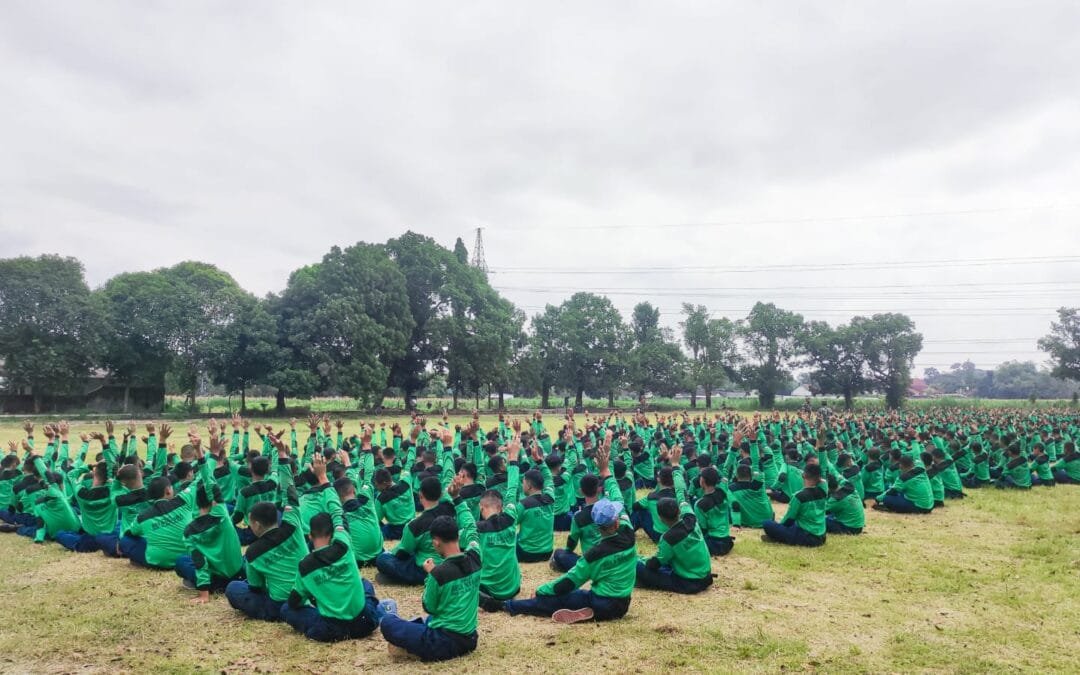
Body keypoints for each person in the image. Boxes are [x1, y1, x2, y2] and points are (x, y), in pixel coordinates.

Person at [282, 454, 392, 642]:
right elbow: (336, 511)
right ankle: (384, 609)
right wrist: (324, 478)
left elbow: (294, 602)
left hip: (330, 631)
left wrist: (317, 594)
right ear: (335, 532)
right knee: (364, 584)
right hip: (364, 624)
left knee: (286, 609)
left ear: (310, 536)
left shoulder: (305, 565)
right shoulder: (344, 544)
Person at [484, 495, 637, 624]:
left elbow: (568, 583)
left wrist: (541, 590)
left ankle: (506, 606)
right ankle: (591, 613)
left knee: (555, 599)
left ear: (598, 527)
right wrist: (605, 471)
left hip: (600, 602)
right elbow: (618, 499)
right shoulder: (629, 534)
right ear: (617, 521)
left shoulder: (593, 555)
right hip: (623, 604)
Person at [380, 476, 482, 661]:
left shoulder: (438, 574)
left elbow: (429, 607)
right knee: (423, 623)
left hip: (443, 641)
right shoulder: (475, 556)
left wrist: (430, 574)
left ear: (436, 543)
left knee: (388, 623)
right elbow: (470, 525)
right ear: (458, 536)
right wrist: (457, 498)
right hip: (471, 638)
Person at [225, 495, 310, 622]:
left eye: (251, 523)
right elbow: (290, 493)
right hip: (307, 594)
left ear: (257, 525)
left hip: (279, 604)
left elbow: (256, 588)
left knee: (233, 588)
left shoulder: (253, 552)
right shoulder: (294, 527)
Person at [375, 476, 457, 585]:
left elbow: (402, 553)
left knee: (382, 559)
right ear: (441, 494)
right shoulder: (451, 508)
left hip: (425, 568)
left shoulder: (415, 525)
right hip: (450, 563)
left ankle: (401, 578)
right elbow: (447, 495)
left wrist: (391, 552)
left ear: (420, 495)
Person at [635, 495, 714, 594]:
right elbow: (684, 502)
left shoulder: (668, 538)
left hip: (688, 583)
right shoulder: (691, 519)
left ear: (660, 518)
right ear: (679, 512)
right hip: (706, 577)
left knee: (637, 566)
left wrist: (642, 561)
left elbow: (654, 565)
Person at [761, 464, 827, 547]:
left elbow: (788, 521)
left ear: (803, 475)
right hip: (822, 537)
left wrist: (778, 528)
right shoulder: (823, 489)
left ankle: (776, 537)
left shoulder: (798, 496)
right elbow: (823, 479)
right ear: (819, 477)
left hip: (808, 538)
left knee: (766, 523)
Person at [694, 466, 734, 556]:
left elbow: (703, 528)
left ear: (702, 481)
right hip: (727, 541)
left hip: (713, 542)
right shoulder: (723, 493)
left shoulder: (699, 504)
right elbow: (724, 473)